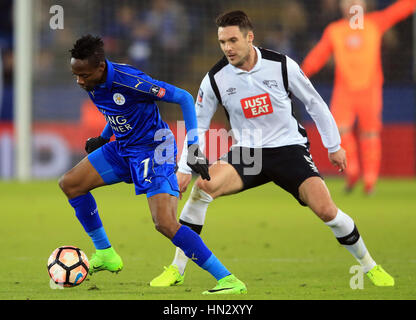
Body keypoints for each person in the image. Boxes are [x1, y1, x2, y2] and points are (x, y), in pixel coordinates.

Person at [150, 10, 394, 288]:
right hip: (249, 152)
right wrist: (184, 169)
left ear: (249, 37)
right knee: (201, 189)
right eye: (222, 42)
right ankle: (177, 268)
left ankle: (369, 266)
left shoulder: (281, 65)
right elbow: (198, 126)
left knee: (327, 211)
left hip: (288, 149)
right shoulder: (215, 78)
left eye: (233, 40)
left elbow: (315, 103)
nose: (227, 48)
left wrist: (334, 145)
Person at [59, 35, 247, 295]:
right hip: (123, 148)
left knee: (166, 223)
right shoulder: (93, 80)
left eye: (84, 75)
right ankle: (105, 253)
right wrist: (103, 138)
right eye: (75, 75)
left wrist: (193, 146)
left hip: (153, 149)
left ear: (101, 67)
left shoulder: (131, 80)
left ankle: (228, 279)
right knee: (70, 184)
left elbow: (182, 97)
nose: (80, 81)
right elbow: (116, 109)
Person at [301, 0, 416, 194]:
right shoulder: (336, 30)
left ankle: (370, 179)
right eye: (349, 3)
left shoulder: (374, 23)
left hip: (369, 91)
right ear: (343, 8)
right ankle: (353, 170)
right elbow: (318, 56)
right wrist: (301, 74)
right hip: (345, 91)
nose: (352, 6)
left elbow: (399, 10)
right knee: (341, 131)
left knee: (369, 133)